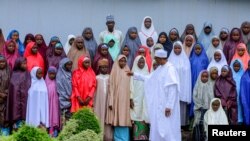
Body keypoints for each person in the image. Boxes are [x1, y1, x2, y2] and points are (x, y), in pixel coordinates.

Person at [128, 49, 181, 141]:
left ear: (161, 58)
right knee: (158, 125)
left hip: (167, 105)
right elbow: (149, 78)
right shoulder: (160, 68)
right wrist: (134, 74)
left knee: (168, 126)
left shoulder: (170, 69)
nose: (155, 61)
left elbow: (173, 89)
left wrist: (169, 106)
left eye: (156, 59)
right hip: (159, 104)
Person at [106, 55, 132, 141]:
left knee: (124, 119)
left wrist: (131, 99)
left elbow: (131, 86)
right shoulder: (114, 71)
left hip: (125, 101)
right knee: (117, 118)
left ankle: (125, 138)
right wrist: (110, 101)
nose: (123, 63)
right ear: (118, 61)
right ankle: (118, 139)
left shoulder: (128, 71)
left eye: (124, 61)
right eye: (121, 61)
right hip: (116, 100)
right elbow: (111, 87)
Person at [168, 41, 192, 131]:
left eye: (179, 48)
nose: (177, 50)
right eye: (175, 48)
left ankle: (182, 125)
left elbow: (187, 76)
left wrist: (184, 89)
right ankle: (172, 125)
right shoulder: (169, 60)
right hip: (172, 87)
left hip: (182, 87)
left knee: (181, 107)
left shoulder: (186, 60)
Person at [6, 57, 31, 130]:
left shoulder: (28, 74)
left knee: (25, 116)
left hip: (25, 99)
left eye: (25, 63)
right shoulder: (13, 74)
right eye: (23, 63)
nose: (25, 65)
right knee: (15, 113)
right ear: (18, 64)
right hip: (15, 100)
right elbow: (12, 88)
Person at [130, 56, 150, 140]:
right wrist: (130, 99)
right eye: (139, 62)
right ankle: (136, 137)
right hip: (135, 99)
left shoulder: (147, 73)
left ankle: (144, 138)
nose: (141, 64)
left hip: (145, 100)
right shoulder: (133, 73)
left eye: (143, 62)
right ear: (136, 62)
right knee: (135, 117)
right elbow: (130, 86)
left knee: (144, 116)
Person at [93, 59, 113, 141]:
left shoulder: (110, 77)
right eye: (102, 67)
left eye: (106, 67)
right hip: (98, 102)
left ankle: (108, 137)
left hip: (108, 102)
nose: (104, 69)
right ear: (99, 68)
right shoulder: (96, 78)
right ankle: (99, 137)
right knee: (99, 117)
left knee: (107, 119)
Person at [189, 43, 209, 117]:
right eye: (196, 49)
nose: (197, 50)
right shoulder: (191, 59)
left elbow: (207, 71)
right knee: (193, 96)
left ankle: (201, 116)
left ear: (202, 49)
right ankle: (192, 116)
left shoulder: (205, 59)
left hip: (202, 81)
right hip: (192, 81)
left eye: (199, 49)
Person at [56, 58, 72, 123]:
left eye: (70, 64)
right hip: (64, 100)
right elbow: (60, 88)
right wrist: (67, 97)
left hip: (72, 99)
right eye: (68, 65)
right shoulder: (60, 75)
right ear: (63, 65)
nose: (69, 66)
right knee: (64, 119)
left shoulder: (71, 73)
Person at [45, 66, 60, 137]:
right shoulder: (45, 83)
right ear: (48, 73)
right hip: (48, 104)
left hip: (55, 104)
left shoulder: (57, 82)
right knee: (48, 116)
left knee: (55, 116)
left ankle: (55, 131)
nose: (52, 75)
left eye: (54, 74)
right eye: (50, 74)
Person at [230, 59, 244, 124]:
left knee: (240, 107)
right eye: (234, 66)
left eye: (238, 66)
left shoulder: (243, 74)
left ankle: (240, 120)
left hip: (241, 95)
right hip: (232, 95)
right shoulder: (230, 75)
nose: (236, 68)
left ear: (240, 66)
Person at [0, 55, 11, 135]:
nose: (1, 64)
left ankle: (5, 135)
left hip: (6, 98)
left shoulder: (8, 71)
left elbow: (11, 84)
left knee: (5, 116)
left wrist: (5, 94)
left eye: (3, 62)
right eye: (0, 62)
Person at [240, 60, 250, 125]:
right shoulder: (244, 77)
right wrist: (244, 102)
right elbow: (242, 92)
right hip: (247, 101)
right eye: (249, 65)